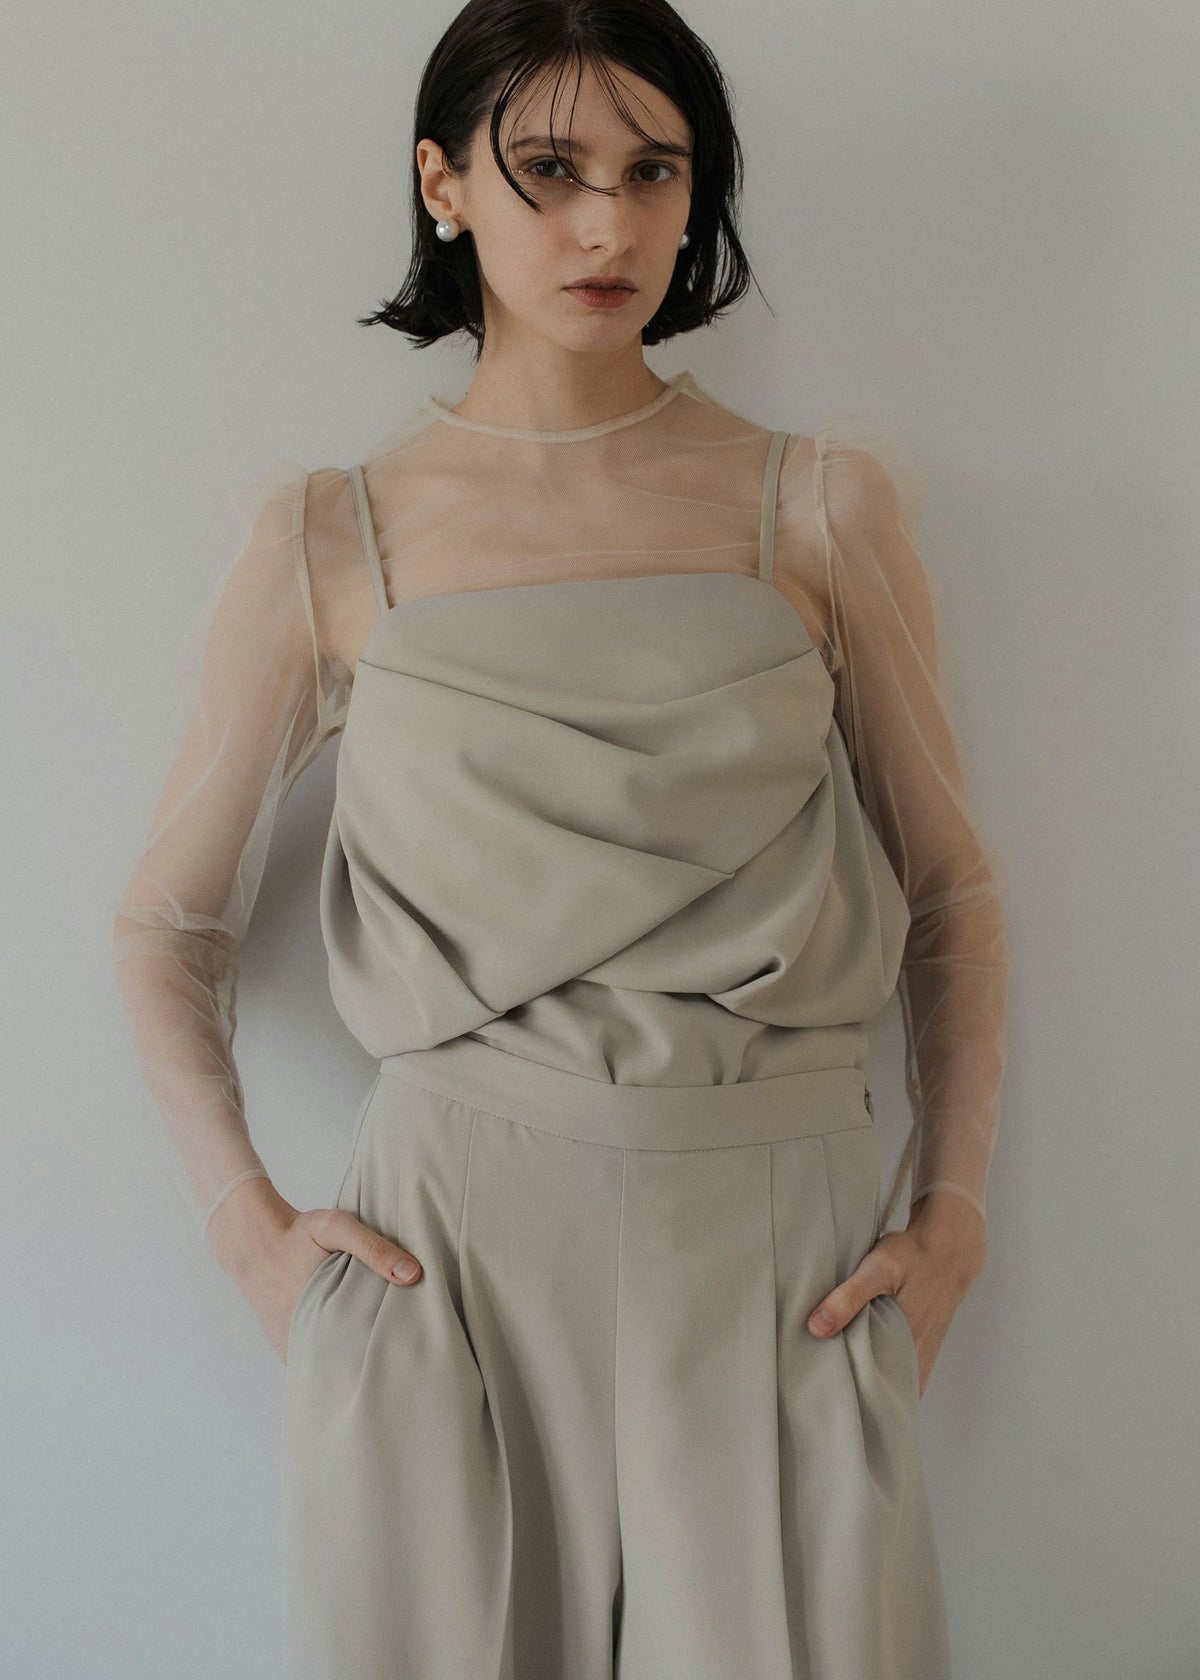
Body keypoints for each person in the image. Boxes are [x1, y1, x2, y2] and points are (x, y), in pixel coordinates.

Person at [110, 2, 1009, 1675]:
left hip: (785, 1257)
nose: (609, 224)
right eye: (548, 169)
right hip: (448, 1265)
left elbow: (950, 889)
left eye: (654, 171)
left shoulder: (817, 505)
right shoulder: (332, 537)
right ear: (442, 185)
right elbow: (167, 926)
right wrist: (250, 1229)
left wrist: (952, 1211)